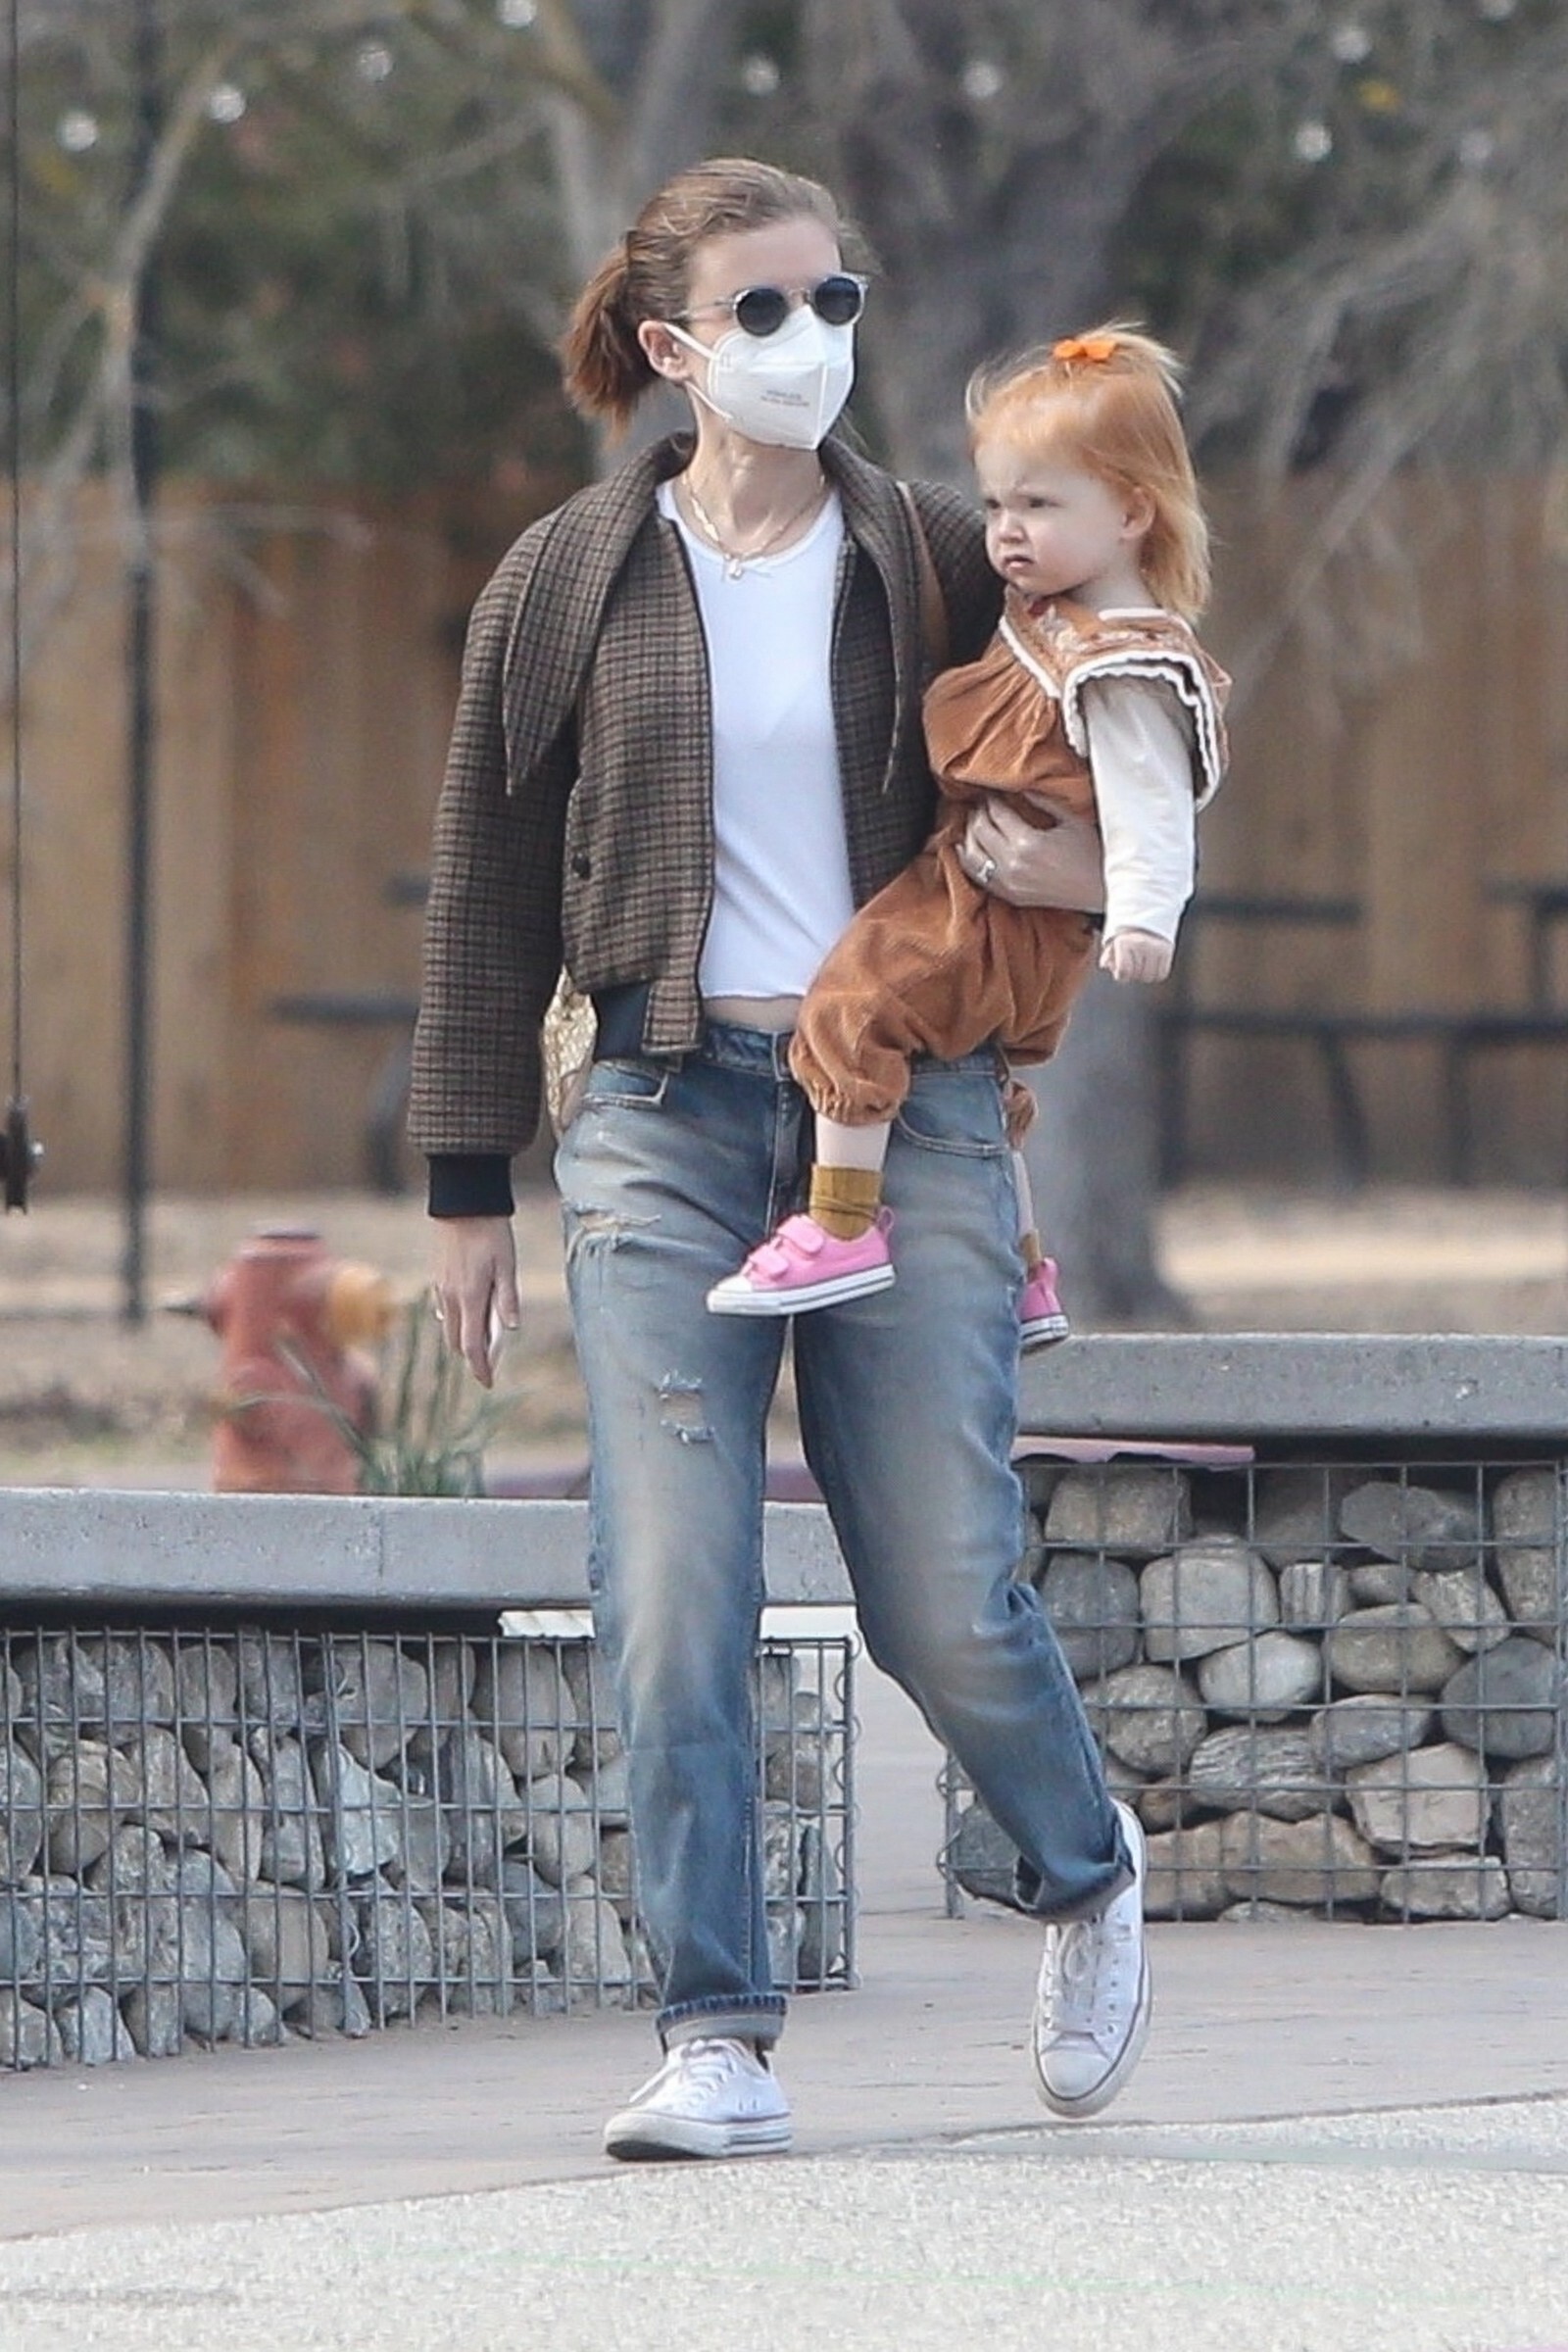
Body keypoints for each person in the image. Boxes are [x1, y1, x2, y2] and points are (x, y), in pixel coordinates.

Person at [412, 156, 1150, 2163]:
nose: (809, 340)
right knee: (672, 1588)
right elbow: (485, 879)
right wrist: (466, 1181)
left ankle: (1085, 1867)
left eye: (834, 301)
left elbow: (1137, 733)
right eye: (761, 310)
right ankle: (715, 2031)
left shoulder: (937, 554)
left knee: (940, 1596)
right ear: (671, 347)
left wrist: (1086, 875)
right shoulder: (567, 576)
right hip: (657, 1118)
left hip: (902, 1116)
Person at [708, 325, 1229, 1340]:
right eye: (995, 506)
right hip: (981, 889)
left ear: (1132, 512)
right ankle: (1025, 1273)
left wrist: (1142, 913)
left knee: (853, 1009)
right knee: (988, 1087)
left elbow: (1152, 805)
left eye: (1039, 506)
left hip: (993, 910)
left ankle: (840, 1225)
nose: (1007, 532)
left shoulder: (1122, 665)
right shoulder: (1054, 619)